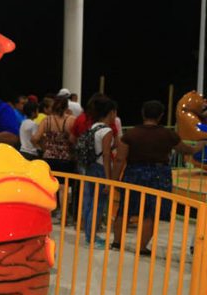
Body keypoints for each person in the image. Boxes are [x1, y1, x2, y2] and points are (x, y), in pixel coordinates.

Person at [110, 101, 206, 255]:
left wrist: (113, 181)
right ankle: (142, 247)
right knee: (151, 212)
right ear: (161, 116)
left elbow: (120, 159)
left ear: (143, 113)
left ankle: (117, 242)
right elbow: (185, 150)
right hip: (159, 175)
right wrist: (197, 147)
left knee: (125, 208)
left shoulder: (131, 134)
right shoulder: (168, 134)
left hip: (134, 173)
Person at [80, 97, 118, 247]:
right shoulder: (107, 130)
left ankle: (89, 235)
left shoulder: (93, 127)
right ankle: (92, 238)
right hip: (101, 169)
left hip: (90, 167)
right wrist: (108, 180)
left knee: (89, 202)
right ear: (111, 112)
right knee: (99, 204)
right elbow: (106, 155)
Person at [32, 96, 76, 173]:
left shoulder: (46, 120)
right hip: (65, 159)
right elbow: (72, 140)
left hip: (49, 158)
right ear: (67, 107)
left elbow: (35, 138)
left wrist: (44, 148)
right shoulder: (71, 120)